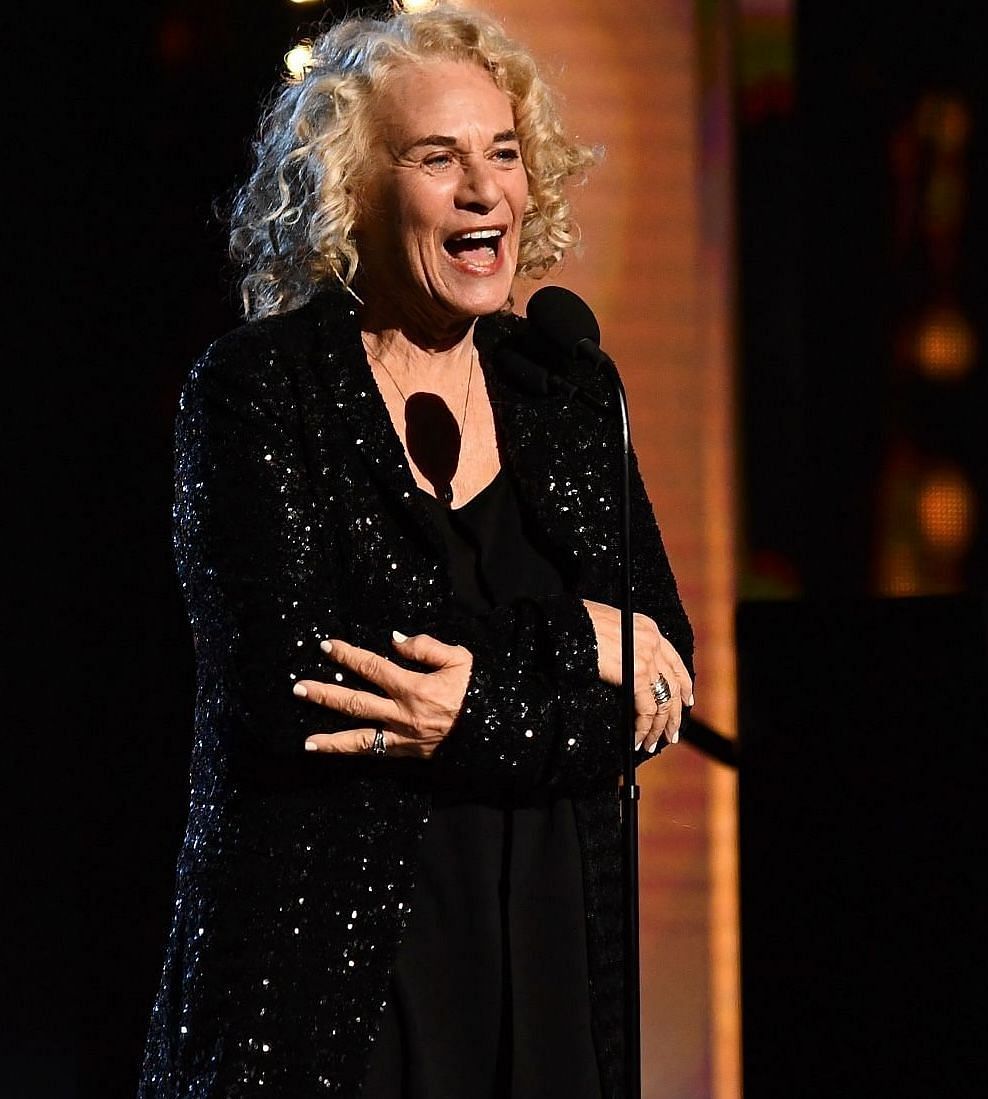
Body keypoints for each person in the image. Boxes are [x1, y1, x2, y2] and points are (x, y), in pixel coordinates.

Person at [139, 6, 694, 1097]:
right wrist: (571, 639)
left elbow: (658, 671)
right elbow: (299, 673)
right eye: (437, 158)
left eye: (503, 153)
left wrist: (465, 706)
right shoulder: (260, 390)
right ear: (351, 189)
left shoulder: (565, 395)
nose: (484, 188)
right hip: (330, 993)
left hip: (547, 976)